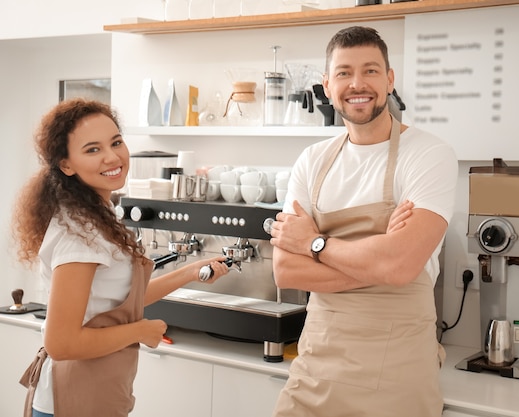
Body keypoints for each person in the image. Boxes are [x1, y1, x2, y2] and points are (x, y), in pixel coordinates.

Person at [268, 26, 458, 417]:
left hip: (397, 371)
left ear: (389, 80)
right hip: (316, 364)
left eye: (371, 71)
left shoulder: (429, 155)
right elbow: (285, 271)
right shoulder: (312, 159)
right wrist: (381, 258)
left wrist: (314, 244)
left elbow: (401, 264)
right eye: (343, 73)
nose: (358, 84)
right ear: (326, 85)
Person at [12, 98, 230, 417]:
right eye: (92, 149)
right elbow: (61, 342)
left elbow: (121, 299)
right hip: (72, 399)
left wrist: (190, 272)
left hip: (97, 393)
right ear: (66, 164)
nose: (113, 157)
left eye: (116, 142)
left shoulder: (100, 215)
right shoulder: (79, 234)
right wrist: (140, 331)